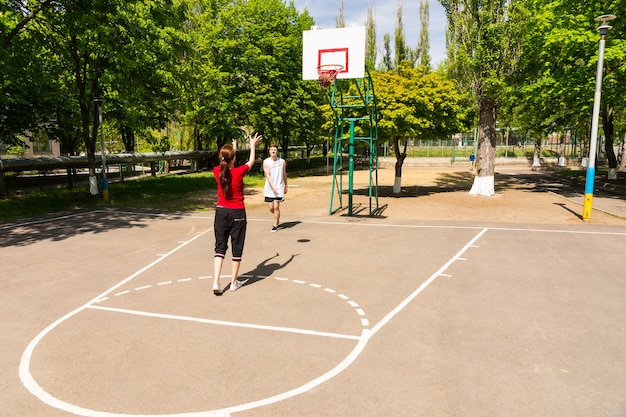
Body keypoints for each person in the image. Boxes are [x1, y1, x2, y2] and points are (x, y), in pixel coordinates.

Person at [212, 133, 262, 295]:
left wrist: (233, 149)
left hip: (221, 212)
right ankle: (233, 282)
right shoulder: (239, 172)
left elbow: (227, 163)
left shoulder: (216, 171)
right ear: (233, 158)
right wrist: (252, 145)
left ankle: (216, 282)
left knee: (220, 248)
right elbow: (251, 161)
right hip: (237, 213)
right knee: (237, 248)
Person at [262, 144, 288, 232]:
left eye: (275, 150)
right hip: (269, 188)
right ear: (269, 151)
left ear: (277, 152)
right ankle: (276, 215)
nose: (273, 151)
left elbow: (284, 174)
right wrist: (272, 187)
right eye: (271, 149)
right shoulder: (266, 162)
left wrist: (286, 185)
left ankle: (275, 224)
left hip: (279, 187)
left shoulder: (282, 162)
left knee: (276, 206)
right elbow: (267, 175)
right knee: (271, 208)